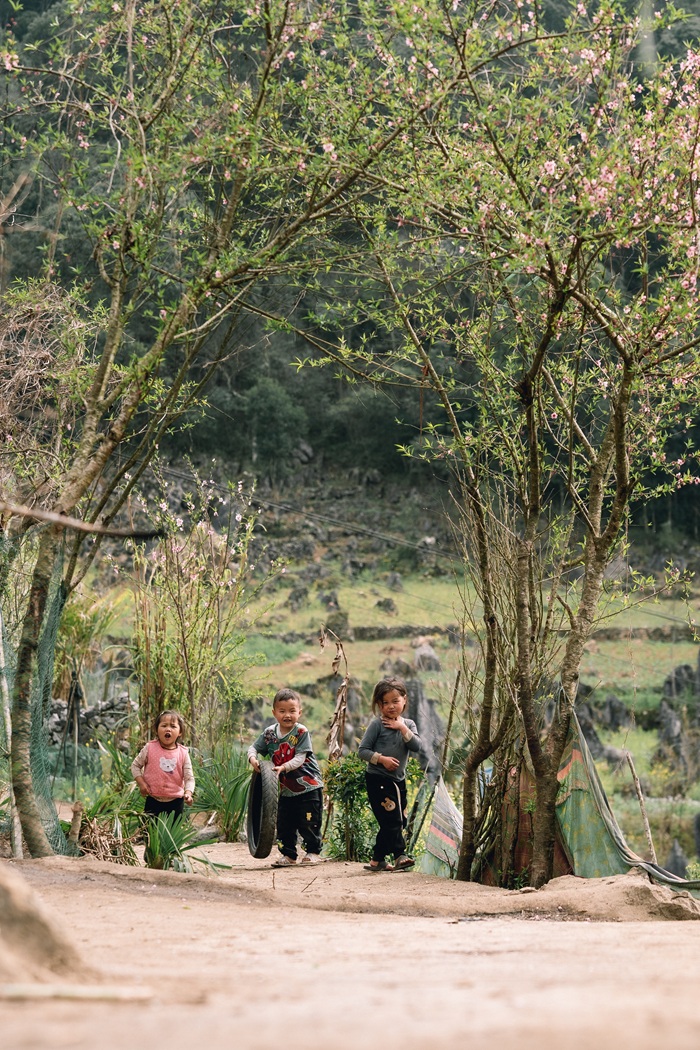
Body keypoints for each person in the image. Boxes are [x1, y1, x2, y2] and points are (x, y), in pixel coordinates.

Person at [248, 687, 324, 866]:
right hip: (284, 789)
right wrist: (253, 759)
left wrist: (283, 767)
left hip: (308, 785)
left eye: (292, 711)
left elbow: (300, 758)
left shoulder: (301, 732)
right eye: (282, 711)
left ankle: (312, 852)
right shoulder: (269, 734)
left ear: (300, 712)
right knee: (284, 823)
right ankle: (289, 855)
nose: (287, 715)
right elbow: (253, 748)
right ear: (274, 712)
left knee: (309, 821)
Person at [358, 677, 421, 871]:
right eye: (385, 703)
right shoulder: (377, 725)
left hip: (398, 780)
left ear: (404, 700)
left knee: (397, 821)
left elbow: (416, 746)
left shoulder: (408, 724)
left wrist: (401, 728)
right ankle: (400, 855)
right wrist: (382, 759)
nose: (391, 706)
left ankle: (377, 860)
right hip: (378, 779)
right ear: (379, 705)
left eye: (395, 701)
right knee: (392, 820)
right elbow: (362, 751)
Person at [131, 709, 194, 820]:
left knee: (171, 835)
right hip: (153, 800)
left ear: (180, 732)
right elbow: (135, 766)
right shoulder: (150, 748)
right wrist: (141, 783)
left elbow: (189, 778)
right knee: (149, 834)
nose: (168, 729)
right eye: (164, 725)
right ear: (156, 730)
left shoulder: (183, 753)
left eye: (173, 726)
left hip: (176, 802)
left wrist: (188, 793)